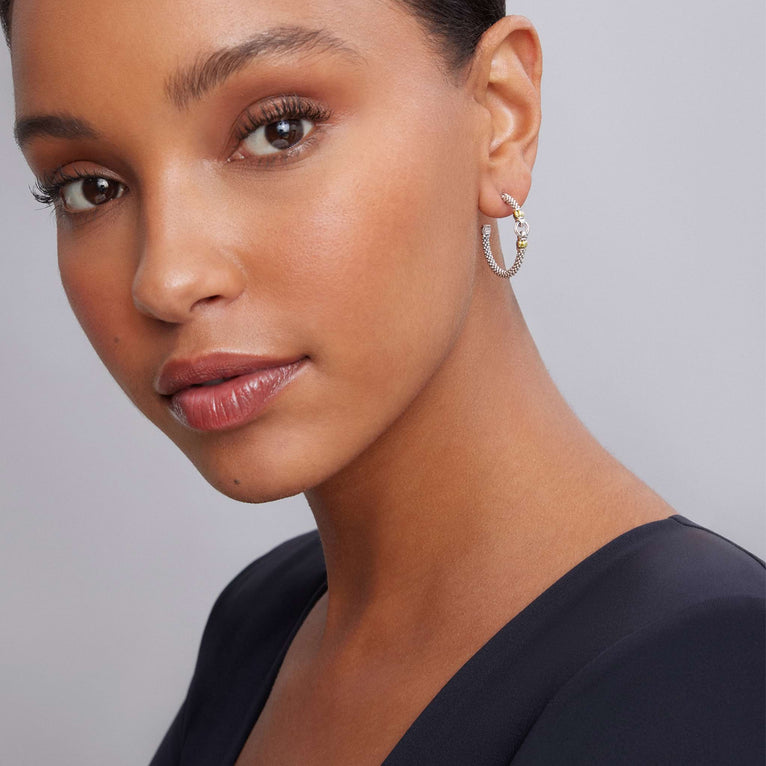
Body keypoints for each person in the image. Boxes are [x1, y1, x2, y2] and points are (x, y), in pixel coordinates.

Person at [4, 0, 764, 764]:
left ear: (502, 115)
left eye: (279, 130)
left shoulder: (706, 674)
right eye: (89, 188)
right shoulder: (268, 618)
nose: (165, 279)